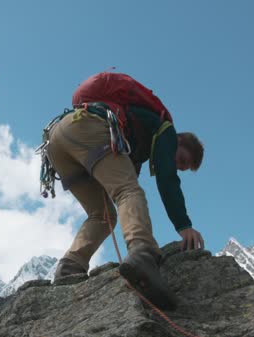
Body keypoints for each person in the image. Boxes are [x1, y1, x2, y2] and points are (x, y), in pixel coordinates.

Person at [44, 72, 204, 310]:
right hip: (89, 126)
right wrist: (184, 225)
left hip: (57, 139)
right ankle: (143, 253)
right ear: (178, 141)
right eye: (180, 159)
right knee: (129, 192)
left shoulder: (135, 146)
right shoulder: (165, 129)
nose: (175, 166)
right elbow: (166, 179)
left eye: (182, 167)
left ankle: (70, 267)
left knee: (103, 214)